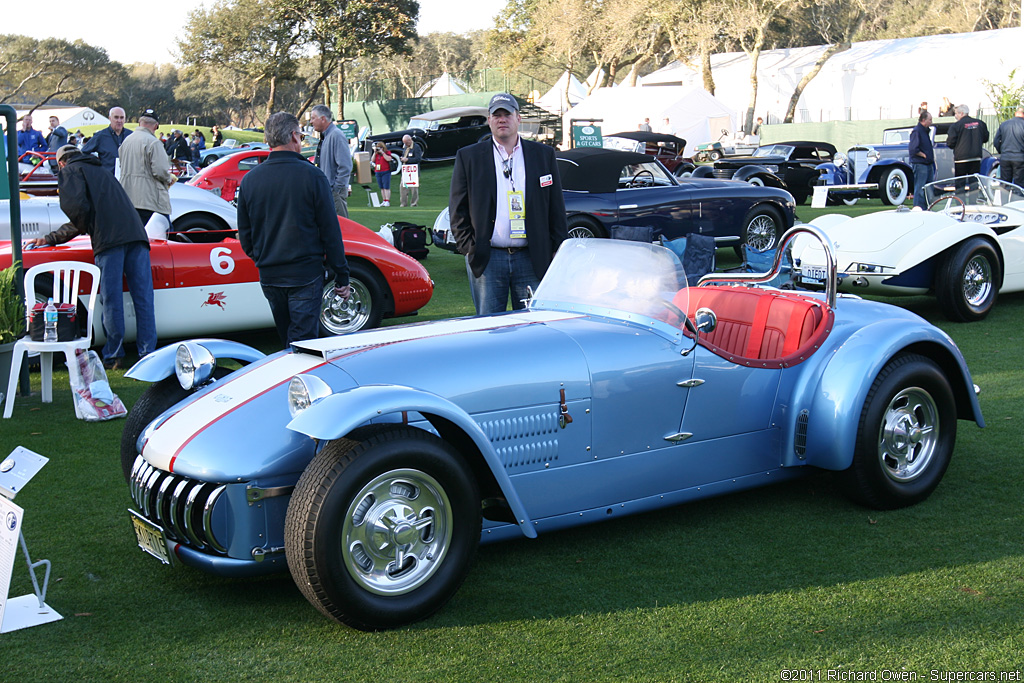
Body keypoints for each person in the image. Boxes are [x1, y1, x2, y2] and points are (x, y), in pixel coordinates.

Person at [27, 145, 157, 369]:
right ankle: (148, 354)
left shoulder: (70, 171)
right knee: (143, 298)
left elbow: (78, 213)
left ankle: (114, 354)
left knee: (112, 299)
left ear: (61, 163)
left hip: (109, 240)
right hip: (137, 235)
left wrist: (51, 238)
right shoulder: (101, 170)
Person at [237, 112, 351, 347]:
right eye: (299, 133)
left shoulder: (250, 179)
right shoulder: (312, 176)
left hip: (270, 273)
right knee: (303, 344)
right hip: (304, 273)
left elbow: (245, 233)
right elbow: (330, 231)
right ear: (294, 136)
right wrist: (342, 275)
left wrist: (260, 256)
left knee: (288, 336)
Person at [449, 93, 568, 315]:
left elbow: (556, 206)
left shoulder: (543, 155)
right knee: (490, 329)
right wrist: (469, 247)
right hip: (489, 259)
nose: (502, 119)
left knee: (533, 327)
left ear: (518, 118)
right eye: (497, 115)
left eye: (507, 114)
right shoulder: (469, 157)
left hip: (532, 258)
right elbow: (457, 208)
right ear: (489, 120)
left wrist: (557, 248)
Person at [118, 109, 176, 227]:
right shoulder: (154, 143)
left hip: (128, 196)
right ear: (156, 126)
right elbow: (160, 171)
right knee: (163, 233)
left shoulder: (127, 141)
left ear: (140, 122)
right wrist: (169, 178)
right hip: (149, 200)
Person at [309, 104, 352, 217]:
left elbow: (345, 166)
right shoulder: (326, 137)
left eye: (313, 118)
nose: (311, 122)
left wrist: (336, 189)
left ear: (323, 119)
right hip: (327, 191)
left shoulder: (336, 136)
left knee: (341, 227)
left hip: (334, 192)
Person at [81, 106, 130, 174]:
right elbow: (83, 153)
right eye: (116, 117)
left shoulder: (131, 135)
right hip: (108, 178)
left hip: (127, 178)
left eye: (122, 117)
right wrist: (95, 164)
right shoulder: (100, 136)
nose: (119, 120)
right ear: (110, 118)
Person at [946, 104, 990, 177]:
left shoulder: (956, 126)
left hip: (961, 159)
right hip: (976, 157)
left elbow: (950, 143)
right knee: (974, 182)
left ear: (962, 113)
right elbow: (985, 138)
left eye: (956, 113)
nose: (955, 116)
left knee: (960, 183)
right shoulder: (980, 123)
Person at [908, 110, 935, 209]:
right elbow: (913, 149)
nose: (931, 122)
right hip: (920, 164)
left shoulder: (924, 131)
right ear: (923, 120)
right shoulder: (917, 131)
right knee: (920, 187)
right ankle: (918, 208)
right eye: (930, 119)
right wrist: (924, 155)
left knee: (928, 187)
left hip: (927, 164)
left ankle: (927, 207)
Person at [993, 105, 1024, 188]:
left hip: (1005, 157)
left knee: (1005, 183)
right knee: (1019, 184)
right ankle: (1017, 199)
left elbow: (996, 141)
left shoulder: (1004, 124)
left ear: (1015, 113)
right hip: (1020, 158)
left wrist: (1002, 151)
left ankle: (1005, 200)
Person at [399, 134, 422, 207]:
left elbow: (418, 159)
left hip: (414, 171)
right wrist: (402, 159)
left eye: (406, 142)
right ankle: (403, 203)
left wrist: (408, 159)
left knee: (414, 188)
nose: (405, 144)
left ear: (410, 140)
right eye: (404, 143)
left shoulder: (416, 147)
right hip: (406, 170)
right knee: (403, 186)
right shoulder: (406, 147)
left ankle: (413, 203)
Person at [371, 141, 392, 207]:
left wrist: (382, 152)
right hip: (378, 171)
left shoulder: (387, 152)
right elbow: (372, 160)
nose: (379, 149)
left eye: (380, 148)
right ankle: (384, 200)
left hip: (385, 171)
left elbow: (388, 159)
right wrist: (375, 152)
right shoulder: (377, 154)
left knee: (386, 187)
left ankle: (387, 201)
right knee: (381, 187)